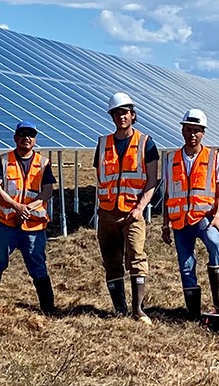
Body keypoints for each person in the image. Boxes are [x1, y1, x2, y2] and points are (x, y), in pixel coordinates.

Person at [161, 108, 219, 319]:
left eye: (197, 130)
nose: (192, 134)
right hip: (179, 222)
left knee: (215, 244)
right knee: (186, 266)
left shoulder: (214, 157)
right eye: (188, 130)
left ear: (203, 132)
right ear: (182, 131)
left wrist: (218, 216)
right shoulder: (171, 159)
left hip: (204, 219)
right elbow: (168, 194)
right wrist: (165, 224)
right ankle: (193, 312)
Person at [0, 119, 58, 314]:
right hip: (7, 224)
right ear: (15, 137)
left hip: (34, 226)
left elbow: (47, 191)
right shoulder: (3, 160)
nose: (26, 138)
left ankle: (48, 309)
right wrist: (16, 206)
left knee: (38, 267)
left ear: (35, 139)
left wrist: (29, 208)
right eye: (22, 134)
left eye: (30, 135)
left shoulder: (43, 163)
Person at [95, 91, 159, 324]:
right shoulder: (103, 143)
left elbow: (152, 180)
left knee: (136, 257)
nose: (121, 117)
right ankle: (119, 308)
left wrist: (140, 208)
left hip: (132, 212)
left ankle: (138, 309)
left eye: (124, 113)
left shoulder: (145, 143)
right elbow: (100, 176)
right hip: (107, 213)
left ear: (133, 115)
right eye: (116, 113)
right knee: (111, 261)